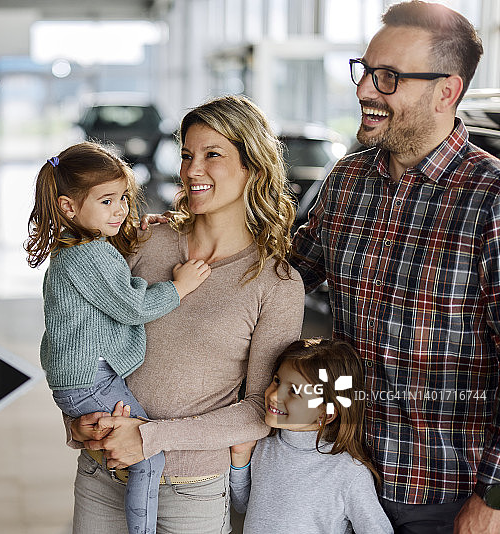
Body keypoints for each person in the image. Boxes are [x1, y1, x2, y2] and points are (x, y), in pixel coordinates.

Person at [291, 2, 500, 532]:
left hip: (445, 495)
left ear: (446, 92)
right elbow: (282, 281)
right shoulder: (348, 179)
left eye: (388, 78)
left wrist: (493, 498)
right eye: (364, 70)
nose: (364, 90)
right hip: (344, 470)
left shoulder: (491, 200)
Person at [67, 95, 306, 534]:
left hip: (189, 491)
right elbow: (79, 334)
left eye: (212, 155)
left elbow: (261, 411)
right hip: (103, 475)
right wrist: (77, 421)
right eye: (186, 155)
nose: (192, 170)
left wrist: (148, 437)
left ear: (251, 166)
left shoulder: (276, 283)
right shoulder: (145, 242)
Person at [26, 142, 211, 534]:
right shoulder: (88, 255)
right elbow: (132, 306)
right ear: (68, 208)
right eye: (107, 201)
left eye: (124, 198)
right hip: (92, 381)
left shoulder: (78, 248)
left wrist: (138, 229)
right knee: (146, 456)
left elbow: (110, 278)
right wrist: (180, 286)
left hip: (82, 380)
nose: (121, 209)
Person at [228, 338, 392, 533]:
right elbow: (243, 505)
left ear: (325, 414)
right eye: (277, 380)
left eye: (294, 391)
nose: (274, 396)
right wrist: (240, 458)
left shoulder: (348, 472)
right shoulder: (264, 444)